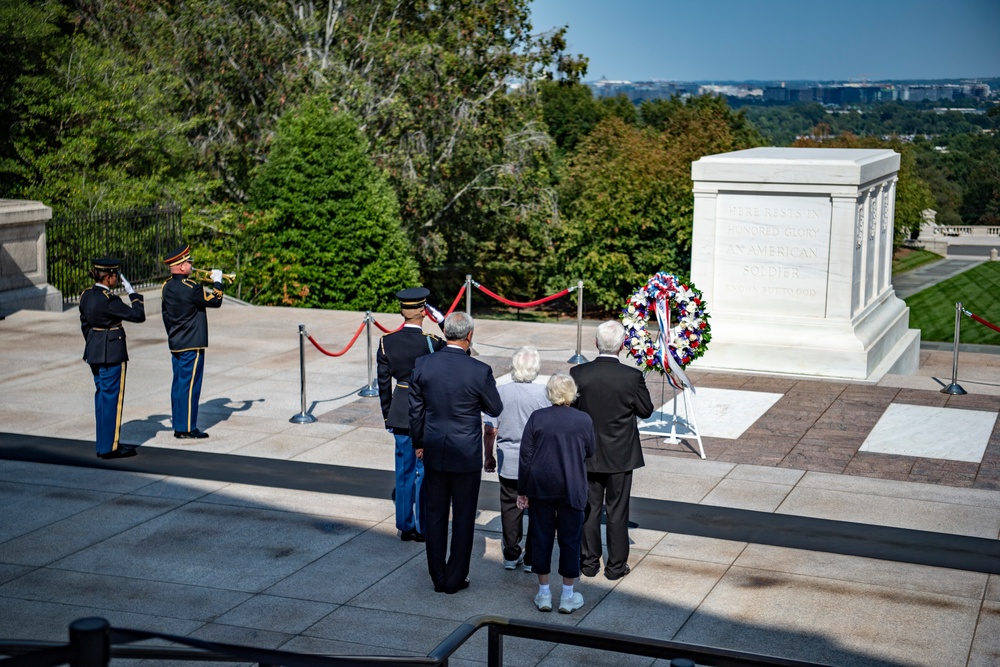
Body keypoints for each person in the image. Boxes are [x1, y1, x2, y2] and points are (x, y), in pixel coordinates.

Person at [409, 312, 503, 594]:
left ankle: (438, 577)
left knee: (435, 514)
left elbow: (415, 411)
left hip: (434, 448)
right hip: (465, 453)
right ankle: (455, 578)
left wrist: (418, 443)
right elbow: (495, 408)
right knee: (463, 517)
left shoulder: (424, 364)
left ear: (445, 333)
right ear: (469, 336)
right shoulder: (479, 370)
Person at [569, 320, 654, 581]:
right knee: (617, 511)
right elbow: (646, 410)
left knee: (589, 509)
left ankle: (589, 563)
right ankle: (616, 567)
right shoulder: (631, 376)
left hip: (588, 453)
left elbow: (571, 410)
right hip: (620, 455)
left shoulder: (578, 374)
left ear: (596, 343)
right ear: (622, 346)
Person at [516, 373, 595, 614]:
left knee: (541, 538)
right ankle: (568, 596)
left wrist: (522, 491)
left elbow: (525, 457)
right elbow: (590, 450)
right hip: (572, 487)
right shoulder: (583, 420)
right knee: (570, 541)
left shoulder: (538, 418)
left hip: (541, 488)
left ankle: (544, 594)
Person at [377, 287, 446, 542]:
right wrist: (443, 323)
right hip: (426, 411)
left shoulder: (387, 342)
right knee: (425, 472)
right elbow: (463, 351)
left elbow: (384, 385)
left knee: (403, 472)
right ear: (424, 312)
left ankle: (405, 526)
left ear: (402, 311)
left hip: (400, 412)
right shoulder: (432, 342)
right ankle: (423, 527)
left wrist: (388, 416)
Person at [482, 346, 549, 572]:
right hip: (538, 463)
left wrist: (488, 456)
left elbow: (490, 429)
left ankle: (511, 554)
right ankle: (531, 558)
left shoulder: (501, 392)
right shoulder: (544, 394)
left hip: (509, 462)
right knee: (538, 511)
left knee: (510, 509)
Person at [79, 258, 146, 459]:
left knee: (101, 397)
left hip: (94, 352)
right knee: (111, 399)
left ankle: (104, 444)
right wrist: (133, 294)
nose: (117, 278)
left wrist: (94, 344)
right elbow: (138, 315)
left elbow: (85, 324)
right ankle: (110, 447)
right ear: (108, 277)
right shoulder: (110, 300)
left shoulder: (86, 295)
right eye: (115, 275)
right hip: (112, 352)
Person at [160, 244, 224, 439]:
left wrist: (173, 334)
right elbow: (216, 300)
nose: (191, 265)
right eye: (188, 262)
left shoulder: (166, 287)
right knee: (190, 387)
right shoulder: (192, 288)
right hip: (192, 343)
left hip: (176, 341)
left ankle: (179, 423)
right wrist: (218, 282)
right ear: (180, 266)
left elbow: (165, 315)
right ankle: (186, 428)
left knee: (179, 385)